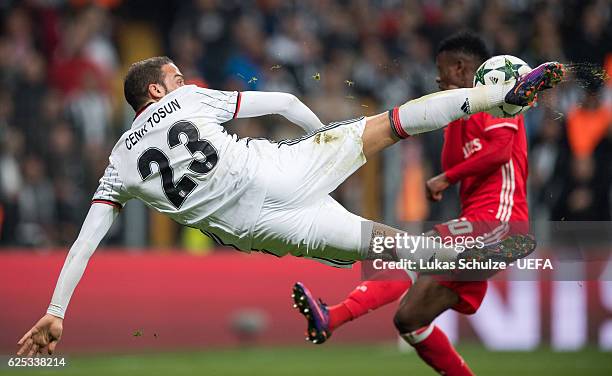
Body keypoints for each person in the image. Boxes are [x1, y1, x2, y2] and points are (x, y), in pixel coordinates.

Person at [17, 54, 563, 357]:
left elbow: (83, 245)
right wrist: (328, 139)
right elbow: (281, 102)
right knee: (390, 125)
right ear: (158, 93)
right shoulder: (188, 98)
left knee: (391, 246)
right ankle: (501, 97)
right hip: (281, 168)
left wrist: (57, 311)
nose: (183, 81)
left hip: (262, 228)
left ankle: (464, 258)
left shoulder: (118, 166)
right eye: (175, 77)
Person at [292, 32, 537, 376]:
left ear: (460, 66)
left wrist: (445, 179)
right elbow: (455, 155)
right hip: (476, 226)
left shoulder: (498, 100)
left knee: (411, 251)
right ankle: (332, 319)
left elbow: (498, 152)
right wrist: (451, 119)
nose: (437, 79)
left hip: (501, 219)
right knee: (409, 320)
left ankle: (332, 317)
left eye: (441, 70)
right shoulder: (461, 114)